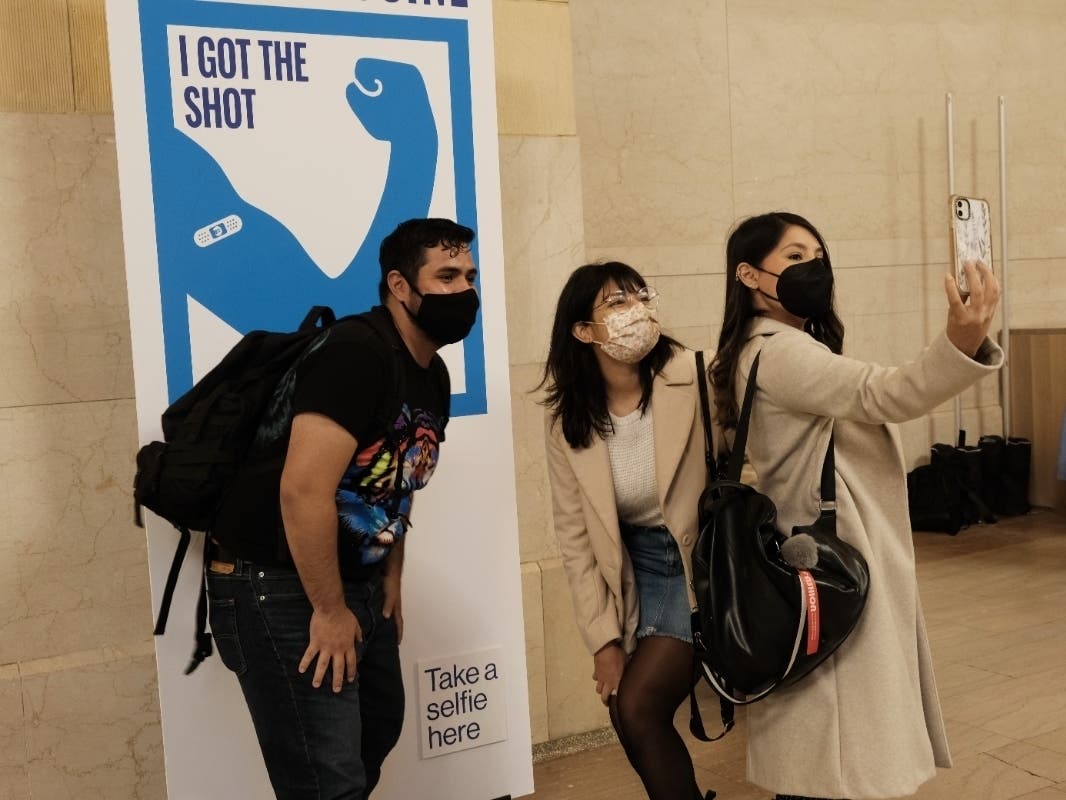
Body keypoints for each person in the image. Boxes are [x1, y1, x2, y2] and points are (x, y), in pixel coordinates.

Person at [709, 211, 1002, 800]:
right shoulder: (780, 351)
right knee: (836, 744)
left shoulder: (769, 348)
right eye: (794, 256)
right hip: (831, 556)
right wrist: (960, 343)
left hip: (816, 546)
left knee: (827, 739)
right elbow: (883, 393)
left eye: (818, 255)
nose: (813, 267)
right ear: (749, 275)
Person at [205, 218, 480, 799]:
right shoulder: (356, 353)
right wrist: (329, 610)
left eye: (469, 277)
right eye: (447, 276)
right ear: (400, 286)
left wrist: (391, 574)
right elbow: (303, 491)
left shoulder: (430, 372)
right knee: (326, 778)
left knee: (375, 731)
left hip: (355, 583)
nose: (464, 290)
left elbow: (398, 477)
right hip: (279, 585)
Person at [541, 262, 716, 800]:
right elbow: (575, 539)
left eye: (640, 295)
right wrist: (604, 641)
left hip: (701, 561)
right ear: (582, 331)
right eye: (617, 303)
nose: (636, 310)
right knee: (625, 704)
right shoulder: (567, 418)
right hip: (637, 571)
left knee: (638, 705)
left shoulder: (695, 375)